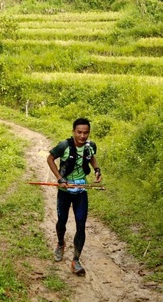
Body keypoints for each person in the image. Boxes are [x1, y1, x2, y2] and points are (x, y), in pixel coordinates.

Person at [46, 117, 102, 276]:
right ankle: (60, 243)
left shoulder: (90, 146)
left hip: (81, 191)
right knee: (62, 221)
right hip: (64, 192)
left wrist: (97, 169)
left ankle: (76, 260)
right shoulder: (64, 146)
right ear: (73, 132)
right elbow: (50, 159)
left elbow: (91, 157)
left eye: (85, 133)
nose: (82, 136)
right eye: (79, 132)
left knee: (81, 224)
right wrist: (59, 178)